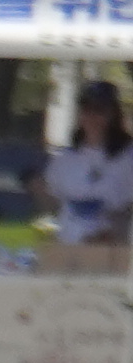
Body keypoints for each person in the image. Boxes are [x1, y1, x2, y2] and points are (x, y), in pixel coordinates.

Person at [46, 81, 131, 247]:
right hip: (69, 247)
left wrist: (113, 230)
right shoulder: (64, 159)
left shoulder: (128, 157)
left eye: (99, 110)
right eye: (86, 109)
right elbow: (54, 204)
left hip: (113, 249)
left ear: (113, 114)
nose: (92, 117)